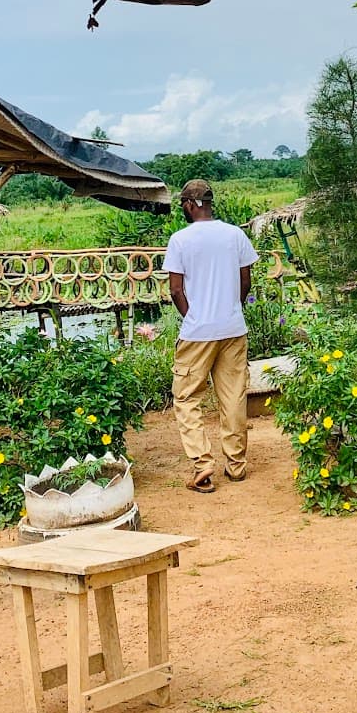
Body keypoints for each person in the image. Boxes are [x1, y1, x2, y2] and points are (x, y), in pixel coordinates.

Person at [162, 178, 259, 493]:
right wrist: (232, 309)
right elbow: (246, 281)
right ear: (210, 202)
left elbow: (176, 289)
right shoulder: (235, 235)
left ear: (190, 205)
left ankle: (203, 467)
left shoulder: (180, 240)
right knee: (233, 396)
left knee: (187, 397)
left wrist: (194, 317)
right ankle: (236, 466)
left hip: (198, 333)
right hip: (233, 328)